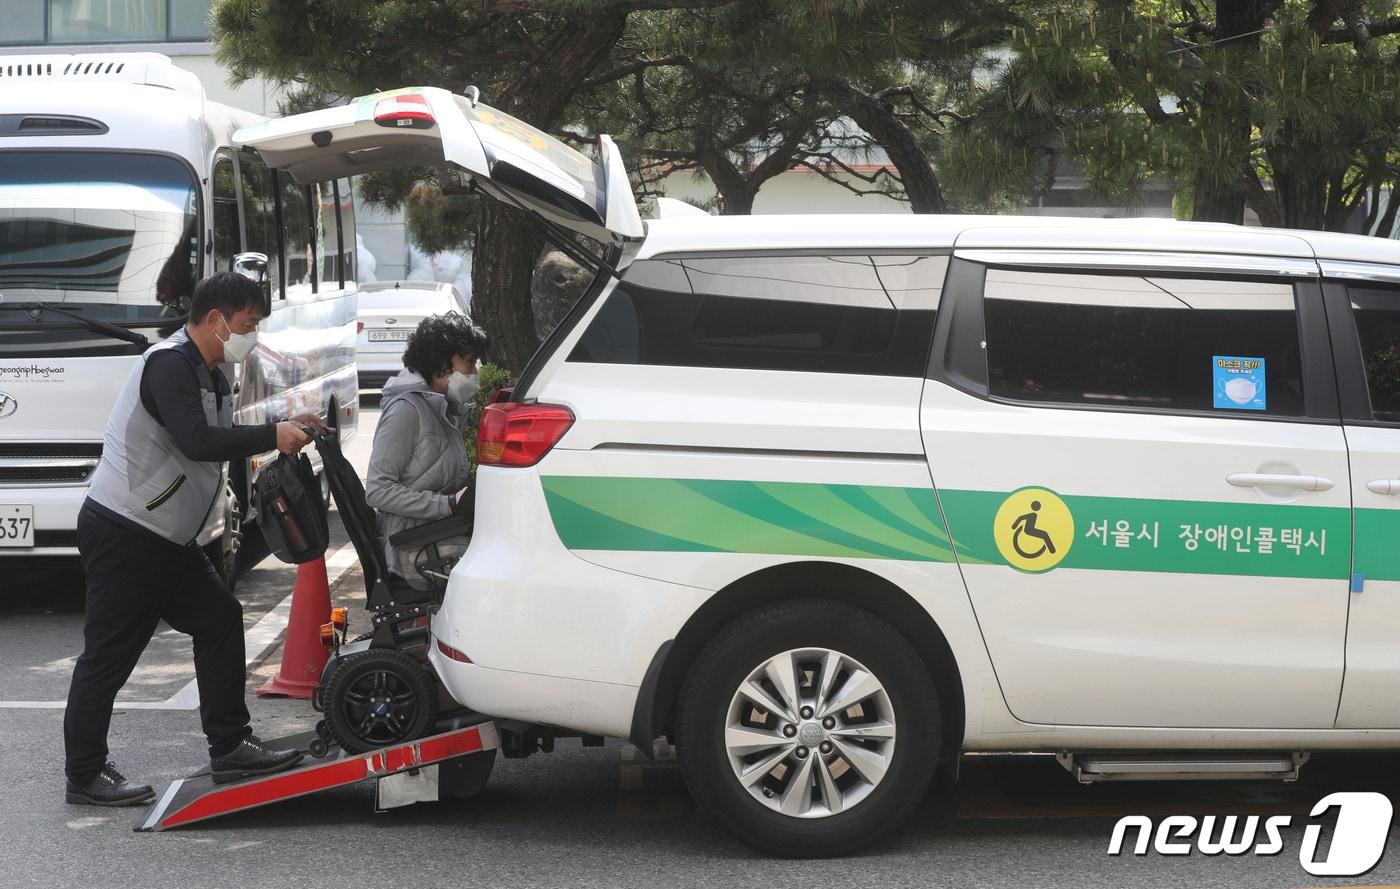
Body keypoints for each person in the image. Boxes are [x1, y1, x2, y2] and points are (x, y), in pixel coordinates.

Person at [64, 272, 321, 807]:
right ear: (215, 320)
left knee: (219, 618)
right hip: (126, 530)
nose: (252, 335)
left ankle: (229, 746)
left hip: (166, 537)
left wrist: (281, 423)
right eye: (248, 324)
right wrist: (271, 434)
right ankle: (84, 775)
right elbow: (197, 439)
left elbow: (216, 431)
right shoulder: (168, 366)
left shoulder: (211, 369)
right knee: (109, 657)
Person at [366, 314, 489, 590]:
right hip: (414, 549)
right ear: (441, 364)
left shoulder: (444, 408)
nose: (474, 373)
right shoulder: (406, 411)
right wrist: (446, 505)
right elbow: (377, 489)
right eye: (468, 363)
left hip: (439, 537)